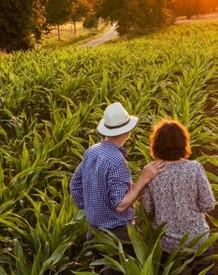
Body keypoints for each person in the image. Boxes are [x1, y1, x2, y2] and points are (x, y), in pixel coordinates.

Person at [70, 102, 165, 274]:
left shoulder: (92, 151)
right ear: (127, 131)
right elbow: (120, 205)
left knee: (99, 269)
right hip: (116, 233)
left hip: (93, 229)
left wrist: (91, 207)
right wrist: (144, 178)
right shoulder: (116, 161)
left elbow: (75, 184)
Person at [140, 119, 216, 275]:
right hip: (197, 239)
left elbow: (147, 210)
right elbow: (209, 204)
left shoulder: (152, 172)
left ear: (156, 144)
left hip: (167, 244)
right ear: (184, 143)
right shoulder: (194, 168)